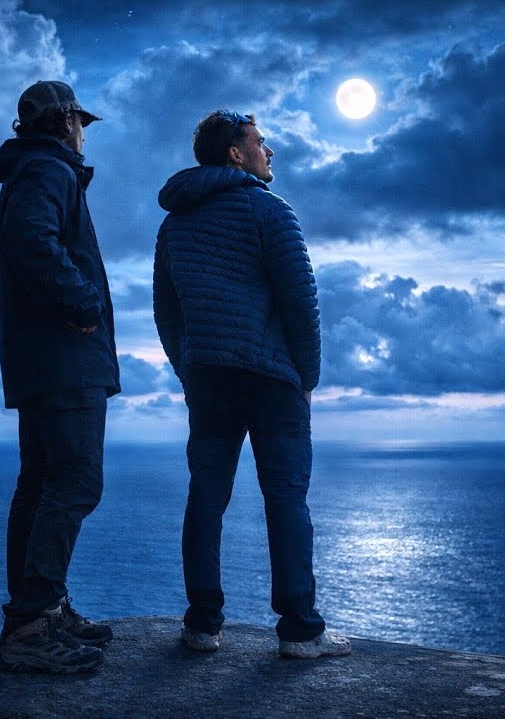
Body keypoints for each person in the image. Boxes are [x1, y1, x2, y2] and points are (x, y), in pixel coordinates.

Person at [152, 109, 351, 660]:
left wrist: (189, 368)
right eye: (261, 143)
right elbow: (300, 303)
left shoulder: (175, 223)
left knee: (206, 497)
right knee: (286, 496)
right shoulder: (270, 211)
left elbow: (166, 312)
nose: (270, 153)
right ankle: (300, 632)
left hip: (210, 379)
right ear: (236, 153)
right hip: (272, 381)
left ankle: (201, 624)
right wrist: (307, 376)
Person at [0, 80, 121, 674]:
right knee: (75, 483)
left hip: (41, 359)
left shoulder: (31, 170)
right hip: (64, 356)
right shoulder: (49, 170)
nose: (84, 133)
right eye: (81, 122)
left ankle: (35, 611)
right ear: (65, 121)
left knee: (40, 484)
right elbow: (30, 242)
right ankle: (33, 623)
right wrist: (83, 304)